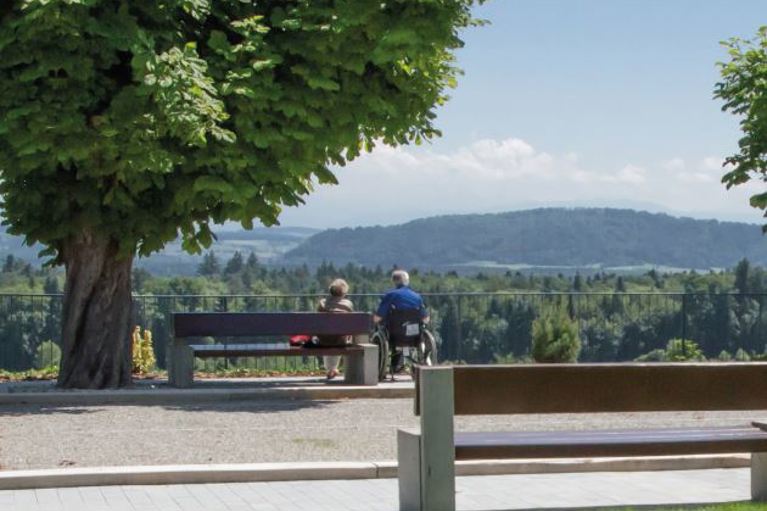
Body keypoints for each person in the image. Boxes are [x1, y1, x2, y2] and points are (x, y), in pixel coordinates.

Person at [374, 270, 429, 372]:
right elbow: (425, 319)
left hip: (393, 336)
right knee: (416, 330)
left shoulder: (390, 295)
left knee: (382, 329)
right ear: (407, 281)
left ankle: (394, 366)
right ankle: (414, 361)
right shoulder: (417, 296)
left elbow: (378, 318)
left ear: (394, 281)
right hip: (414, 336)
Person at [316, 278, 354, 380]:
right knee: (339, 336)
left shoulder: (322, 303)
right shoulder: (347, 304)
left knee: (328, 335)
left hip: (323, 340)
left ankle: (330, 369)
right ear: (344, 292)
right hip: (340, 340)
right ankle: (332, 369)